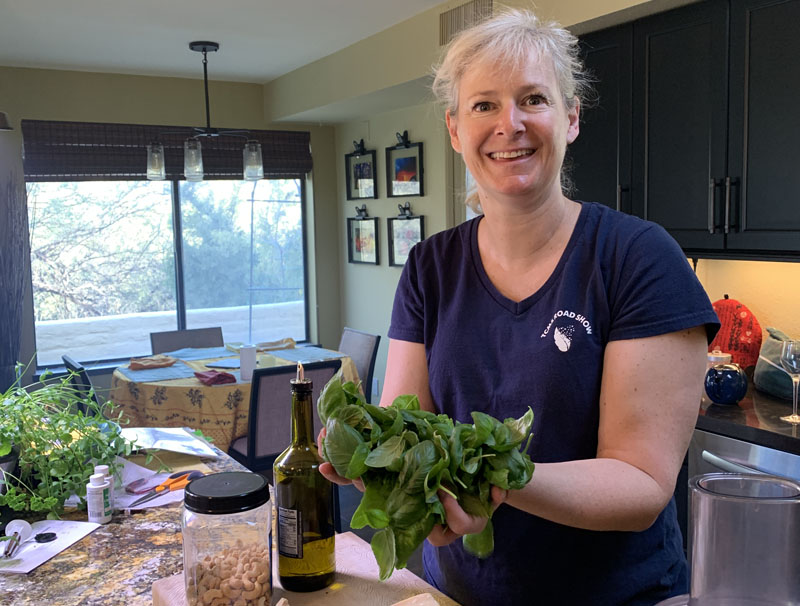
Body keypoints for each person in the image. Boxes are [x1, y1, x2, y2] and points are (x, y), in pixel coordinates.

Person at [321, 9, 719, 605]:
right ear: (455, 130)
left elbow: (641, 483)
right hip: (456, 592)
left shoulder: (637, 258)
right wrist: (378, 464)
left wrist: (490, 478)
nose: (510, 124)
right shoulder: (430, 267)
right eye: (484, 105)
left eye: (533, 98)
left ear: (571, 117)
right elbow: (406, 426)